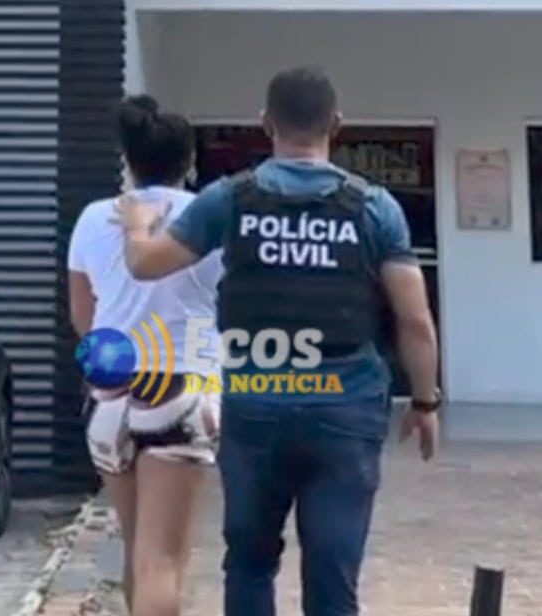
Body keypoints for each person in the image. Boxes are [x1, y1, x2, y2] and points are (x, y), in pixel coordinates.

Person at [113, 66, 441, 616]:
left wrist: (135, 221)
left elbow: (145, 264)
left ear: (266, 124)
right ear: (336, 125)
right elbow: (416, 321)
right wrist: (425, 402)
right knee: (334, 569)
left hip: (256, 404)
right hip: (346, 406)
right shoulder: (374, 207)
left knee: (249, 561)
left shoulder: (228, 199)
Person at [67, 95, 225, 616]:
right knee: (164, 560)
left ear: (128, 161)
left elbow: (82, 315)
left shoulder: (94, 219)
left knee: (139, 550)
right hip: (182, 385)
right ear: (190, 161)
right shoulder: (208, 216)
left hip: (109, 392)